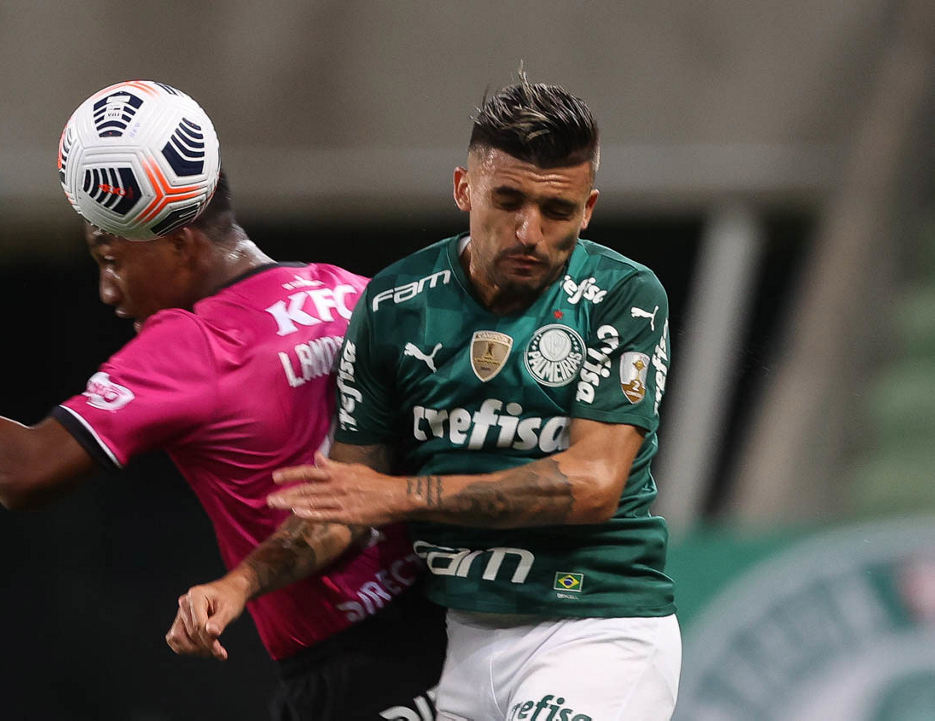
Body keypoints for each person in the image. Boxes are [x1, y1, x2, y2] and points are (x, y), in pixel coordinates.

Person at [0, 169, 445, 720]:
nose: (108, 290)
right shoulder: (345, 291)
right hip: (444, 628)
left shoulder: (195, 342)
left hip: (359, 674)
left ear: (181, 243)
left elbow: (20, 470)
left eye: (113, 259)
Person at [203, 74, 680, 720]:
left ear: (588, 208)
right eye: (507, 200)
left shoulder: (623, 295)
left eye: (557, 210)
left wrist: (400, 495)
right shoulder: (394, 305)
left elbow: (593, 482)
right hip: (460, 642)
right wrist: (240, 583)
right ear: (464, 189)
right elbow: (347, 504)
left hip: (595, 628)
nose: (529, 231)